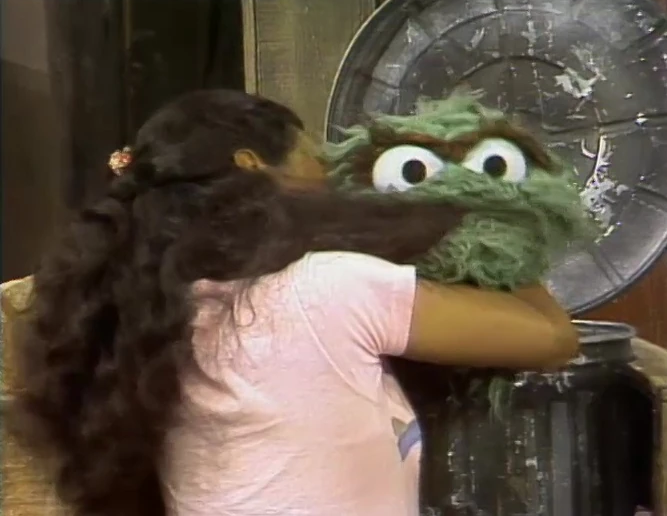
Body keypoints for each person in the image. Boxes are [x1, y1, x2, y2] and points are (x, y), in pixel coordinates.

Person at [9, 89, 579, 516]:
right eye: (313, 157)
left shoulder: (164, 315)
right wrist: (502, 224)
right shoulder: (328, 287)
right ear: (255, 167)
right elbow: (552, 339)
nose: (330, 174)